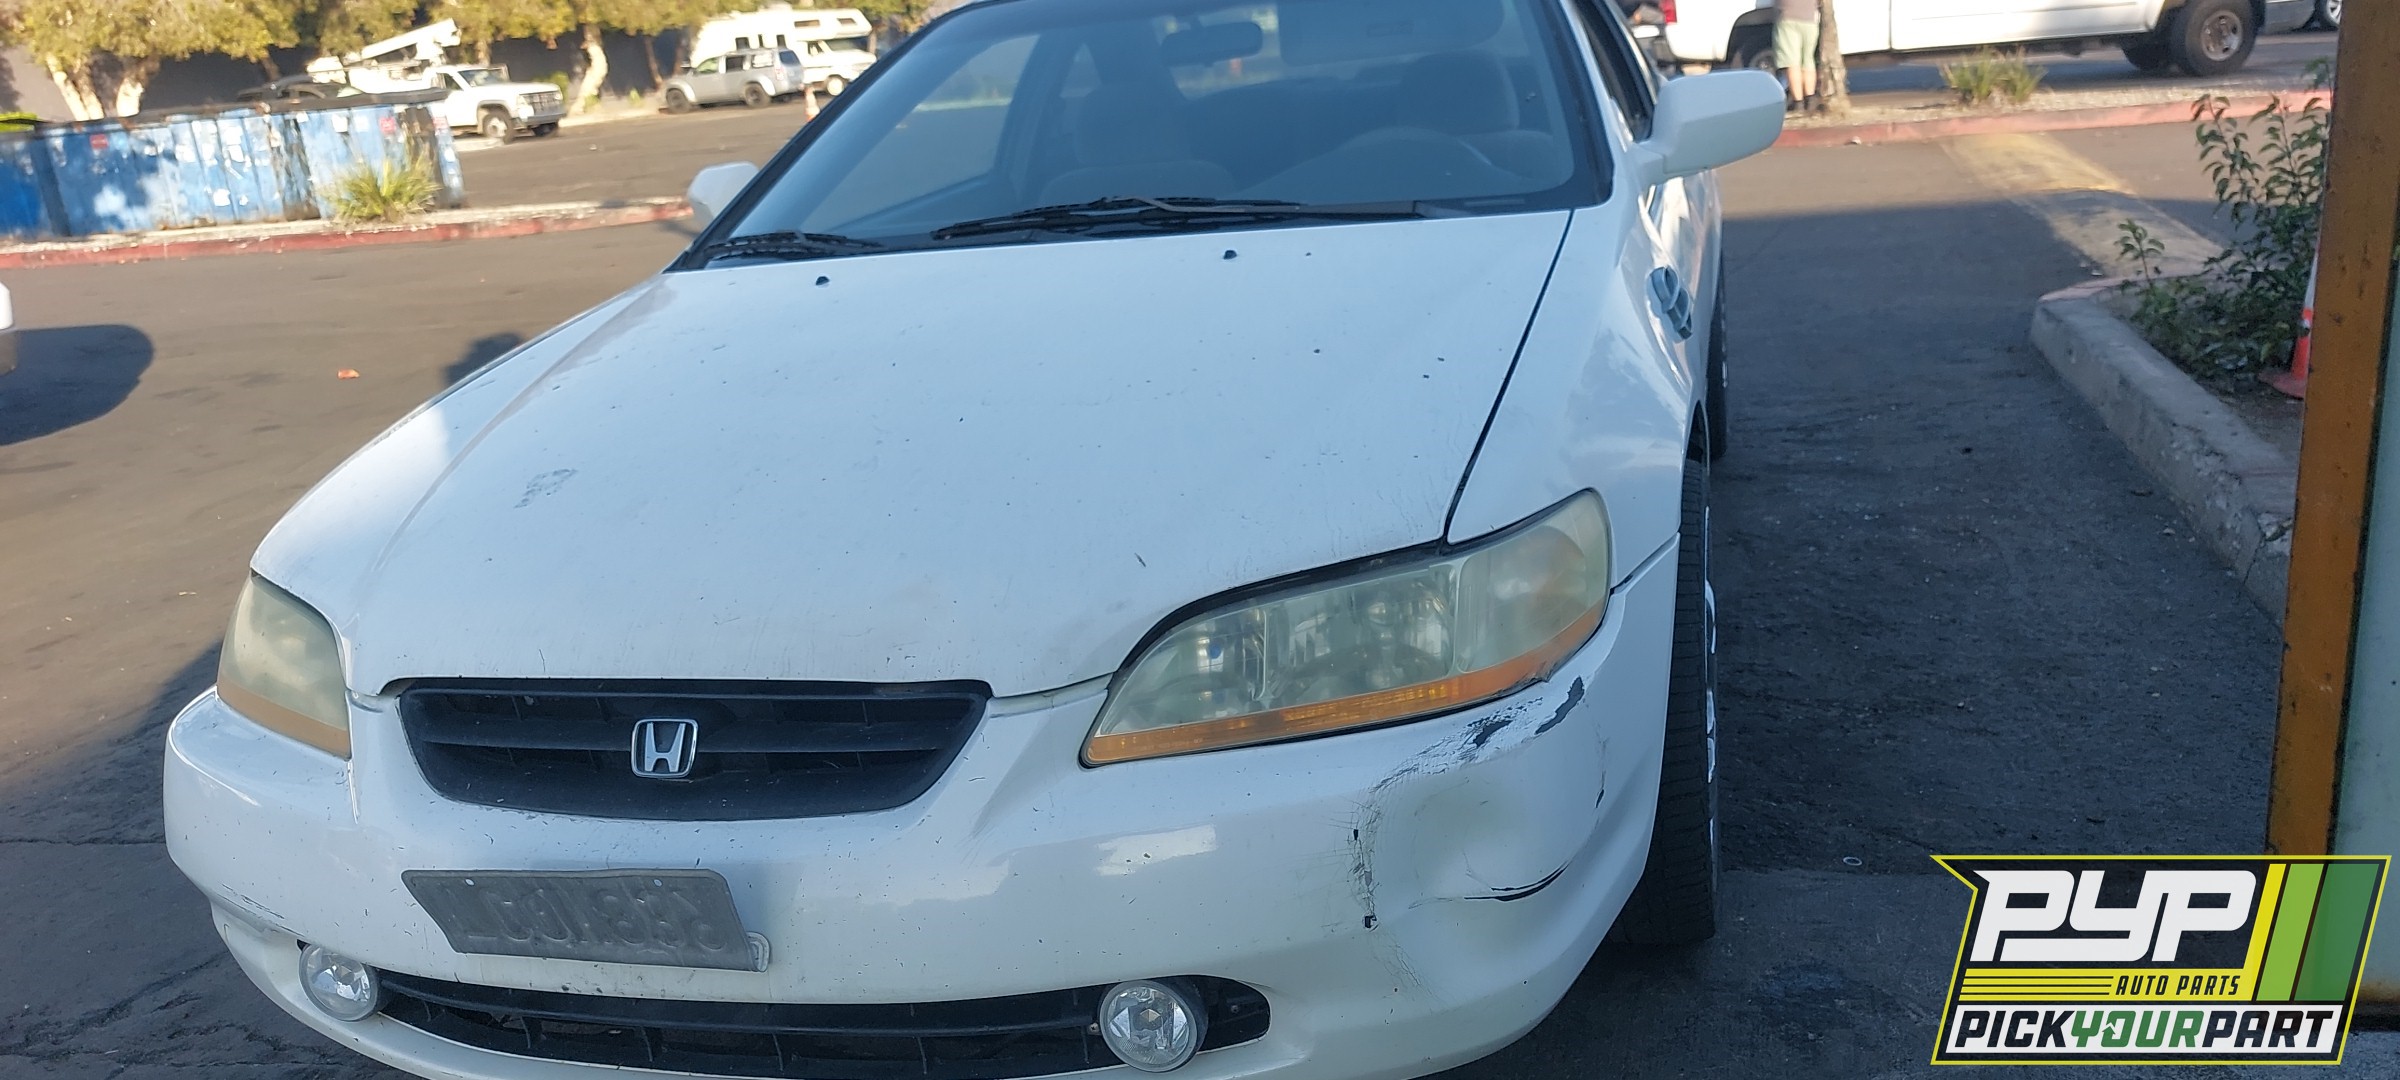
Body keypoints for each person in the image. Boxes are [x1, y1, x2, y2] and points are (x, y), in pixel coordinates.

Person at [1775, 0, 1821, 111]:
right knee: (1808, 60)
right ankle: (1810, 98)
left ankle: (1798, 102)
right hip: (1810, 18)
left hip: (1788, 15)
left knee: (1792, 62)